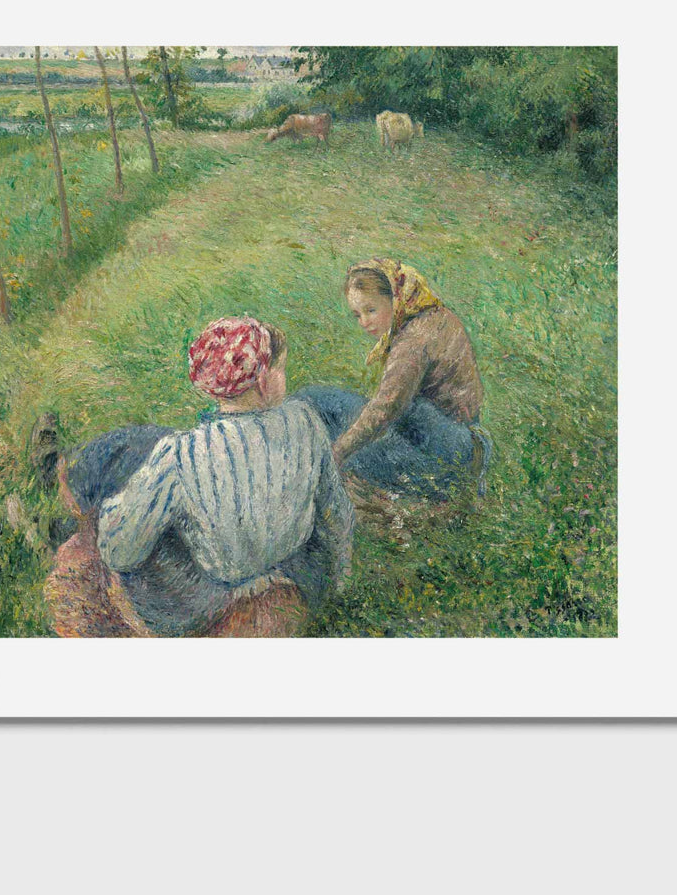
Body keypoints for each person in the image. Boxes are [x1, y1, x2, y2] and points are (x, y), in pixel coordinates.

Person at [44, 317, 354, 638]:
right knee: (144, 451)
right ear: (263, 381)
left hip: (210, 597)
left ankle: (68, 494)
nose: (284, 377)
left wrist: (109, 522)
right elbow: (336, 510)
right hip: (292, 571)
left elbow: (122, 553)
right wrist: (340, 577)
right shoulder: (306, 420)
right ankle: (69, 481)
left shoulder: (181, 452)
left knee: (134, 479)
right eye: (282, 370)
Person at [297, 258, 492, 503]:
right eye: (357, 315)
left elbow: (385, 409)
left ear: (395, 298)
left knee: (326, 425)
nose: (365, 323)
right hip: (448, 431)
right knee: (318, 401)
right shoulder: (433, 315)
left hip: (444, 450)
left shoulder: (414, 340)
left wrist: (337, 454)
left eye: (371, 310)